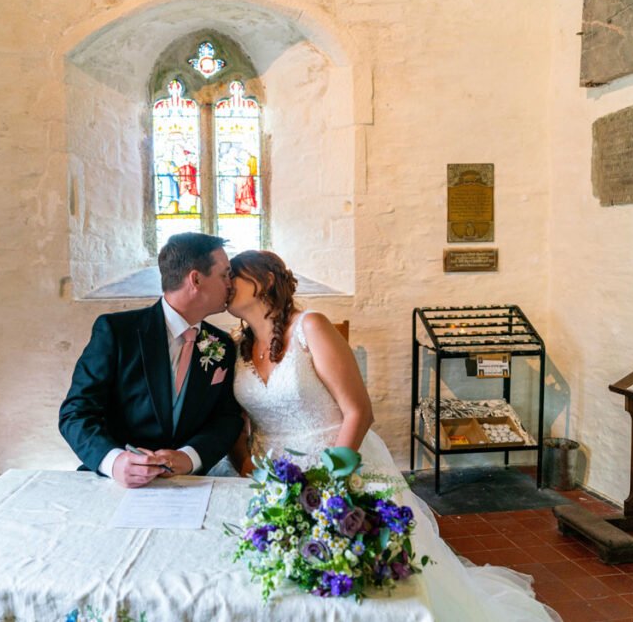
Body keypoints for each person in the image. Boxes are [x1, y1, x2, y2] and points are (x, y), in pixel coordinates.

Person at [225, 250, 557, 622]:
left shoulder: (311, 327)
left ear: (266, 281)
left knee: (358, 589)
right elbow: (239, 422)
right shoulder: (235, 346)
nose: (226, 283)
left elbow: (358, 411)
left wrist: (333, 484)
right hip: (271, 482)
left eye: (233, 275)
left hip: (337, 468)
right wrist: (246, 465)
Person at [59, 233, 243, 488]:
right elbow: (76, 413)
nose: (230, 284)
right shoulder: (117, 332)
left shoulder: (221, 344)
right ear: (196, 279)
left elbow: (227, 418)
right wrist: (114, 462)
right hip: (115, 484)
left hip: (191, 485)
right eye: (224, 274)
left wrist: (190, 457)